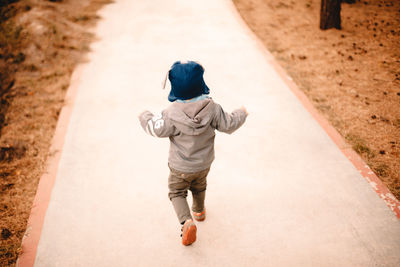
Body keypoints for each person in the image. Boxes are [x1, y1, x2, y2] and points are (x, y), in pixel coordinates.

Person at [138, 60, 248, 246]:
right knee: (199, 186)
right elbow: (229, 124)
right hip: (204, 164)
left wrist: (144, 116)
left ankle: (186, 222)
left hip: (179, 167)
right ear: (201, 84)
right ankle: (199, 211)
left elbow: (155, 129)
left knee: (177, 192)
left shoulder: (171, 113)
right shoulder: (212, 108)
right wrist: (242, 112)